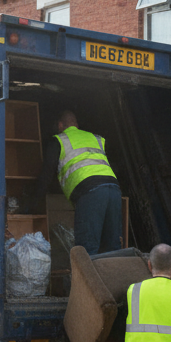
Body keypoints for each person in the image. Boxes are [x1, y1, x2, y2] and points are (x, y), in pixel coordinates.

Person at [45, 109, 123, 255]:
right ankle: (113, 277)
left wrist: (31, 204)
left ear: (60, 125)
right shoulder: (96, 138)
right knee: (113, 245)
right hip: (114, 189)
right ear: (76, 124)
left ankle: (87, 278)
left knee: (87, 249)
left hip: (90, 192)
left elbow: (46, 175)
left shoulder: (59, 140)